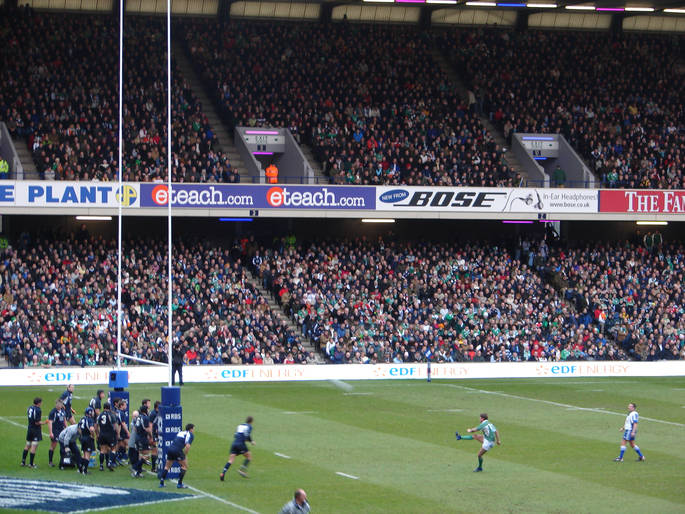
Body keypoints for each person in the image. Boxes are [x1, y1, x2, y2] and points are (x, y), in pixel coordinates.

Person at [159, 423, 195, 489]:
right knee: (185, 466)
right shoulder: (190, 435)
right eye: (193, 429)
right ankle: (179, 484)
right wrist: (184, 455)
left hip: (170, 449)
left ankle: (161, 483)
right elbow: (187, 446)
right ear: (191, 429)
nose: (193, 430)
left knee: (167, 466)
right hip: (177, 450)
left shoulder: (181, 432)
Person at [220, 416, 255, 481]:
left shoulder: (240, 425)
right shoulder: (249, 427)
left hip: (234, 443)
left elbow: (235, 435)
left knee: (231, 460)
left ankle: (223, 473)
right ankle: (242, 470)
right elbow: (247, 436)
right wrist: (251, 441)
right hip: (241, 444)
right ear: (251, 421)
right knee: (249, 457)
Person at [22, 397, 47, 468]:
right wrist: (44, 422)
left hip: (29, 428)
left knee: (27, 445)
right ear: (39, 403)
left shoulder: (30, 407)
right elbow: (37, 422)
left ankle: (23, 462)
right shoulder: (38, 410)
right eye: (41, 402)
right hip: (35, 430)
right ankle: (31, 464)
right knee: (34, 446)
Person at [96, 402, 119, 471]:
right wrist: (117, 433)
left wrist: (97, 434)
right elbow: (115, 425)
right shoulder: (111, 415)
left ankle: (101, 466)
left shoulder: (100, 415)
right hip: (110, 434)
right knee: (113, 449)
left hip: (102, 434)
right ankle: (110, 462)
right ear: (109, 408)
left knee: (103, 450)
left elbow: (96, 426)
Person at [133, 405, 153, 477]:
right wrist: (151, 436)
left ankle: (138, 471)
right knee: (147, 456)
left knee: (140, 455)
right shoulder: (145, 418)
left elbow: (135, 428)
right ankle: (135, 468)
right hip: (142, 438)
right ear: (146, 410)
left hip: (137, 437)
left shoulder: (138, 417)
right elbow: (147, 429)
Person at [47, 399, 67, 467]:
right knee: (53, 446)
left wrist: (66, 428)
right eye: (58, 404)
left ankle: (63, 460)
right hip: (55, 431)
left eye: (60, 404)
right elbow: (50, 422)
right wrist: (51, 432)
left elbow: (64, 419)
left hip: (62, 430)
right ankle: (50, 461)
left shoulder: (63, 410)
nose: (59, 405)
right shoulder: (53, 412)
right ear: (56, 404)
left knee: (63, 445)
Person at [78, 407, 96, 474]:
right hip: (88, 438)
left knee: (84, 453)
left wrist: (81, 435)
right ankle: (85, 470)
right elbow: (91, 429)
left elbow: (79, 428)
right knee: (88, 454)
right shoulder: (90, 419)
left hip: (83, 437)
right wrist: (92, 435)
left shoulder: (82, 418)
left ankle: (80, 468)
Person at [128, 410, 141, 477]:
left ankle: (137, 469)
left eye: (136, 416)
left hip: (136, 442)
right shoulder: (133, 423)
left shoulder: (136, 422)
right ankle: (135, 469)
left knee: (136, 456)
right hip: (132, 442)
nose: (134, 417)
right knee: (132, 456)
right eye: (134, 416)